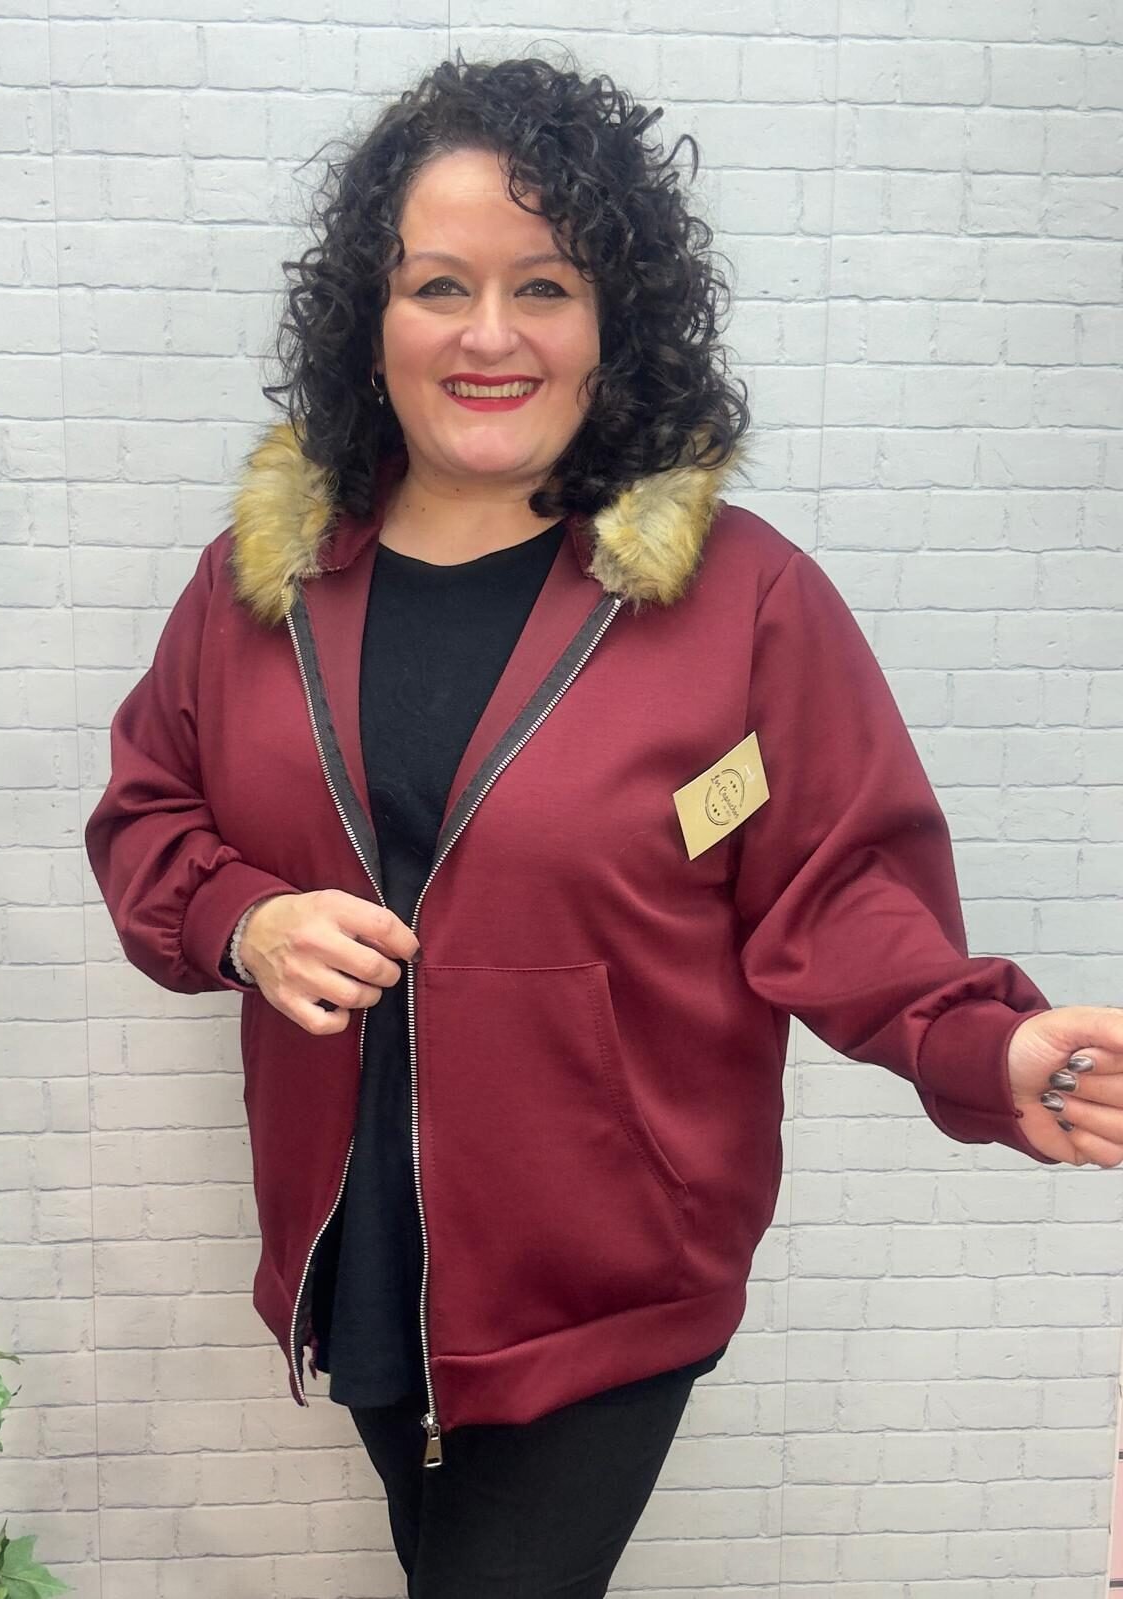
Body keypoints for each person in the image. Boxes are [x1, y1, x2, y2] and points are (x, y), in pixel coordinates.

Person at [83, 51, 1123, 1599]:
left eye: (545, 287)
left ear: (612, 317)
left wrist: (989, 1045)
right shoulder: (262, 588)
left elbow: (839, 892)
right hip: (363, 1251)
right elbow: (145, 814)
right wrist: (247, 920)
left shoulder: (743, 603)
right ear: (373, 317)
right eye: (440, 285)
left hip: (608, 1270)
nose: (489, 334)